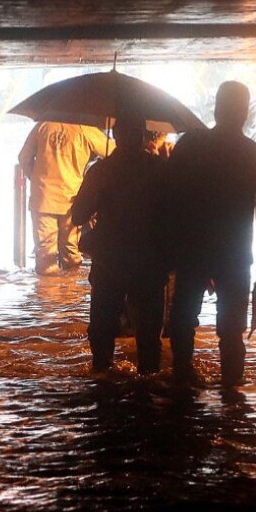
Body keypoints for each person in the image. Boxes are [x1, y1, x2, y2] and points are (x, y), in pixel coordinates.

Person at [168, 81, 256, 388]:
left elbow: (168, 197)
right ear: (244, 113)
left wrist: (165, 247)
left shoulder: (189, 145)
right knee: (231, 327)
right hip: (234, 252)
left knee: (183, 318)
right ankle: (232, 388)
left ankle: (182, 376)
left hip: (192, 248)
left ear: (216, 109)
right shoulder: (255, 155)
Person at [69, 112, 169, 375]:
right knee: (149, 334)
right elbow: (176, 214)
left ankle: (102, 381)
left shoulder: (101, 171)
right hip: (150, 260)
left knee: (102, 329)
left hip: (109, 261)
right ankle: (149, 386)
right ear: (142, 136)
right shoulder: (159, 170)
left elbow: (78, 215)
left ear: (115, 136)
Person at [17, 120, 109, 275]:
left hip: (42, 198)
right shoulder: (85, 128)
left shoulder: (42, 126)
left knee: (45, 252)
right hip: (71, 199)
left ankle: (47, 295)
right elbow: (112, 151)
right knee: (71, 252)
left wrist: (37, 179)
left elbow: (23, 157)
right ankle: (71, 293)